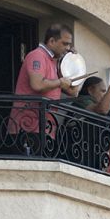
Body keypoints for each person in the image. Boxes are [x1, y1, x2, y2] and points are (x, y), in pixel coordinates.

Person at [8, 23, 80, 151]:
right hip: (26, 127)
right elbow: (37, 84)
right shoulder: (38, 55)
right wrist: (59, 82)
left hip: (45, 128)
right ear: (52, 41)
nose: (68, 48)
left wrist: (74, 63)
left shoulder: (56, 62)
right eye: (65, 43)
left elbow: (73, 91)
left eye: (69, 44)